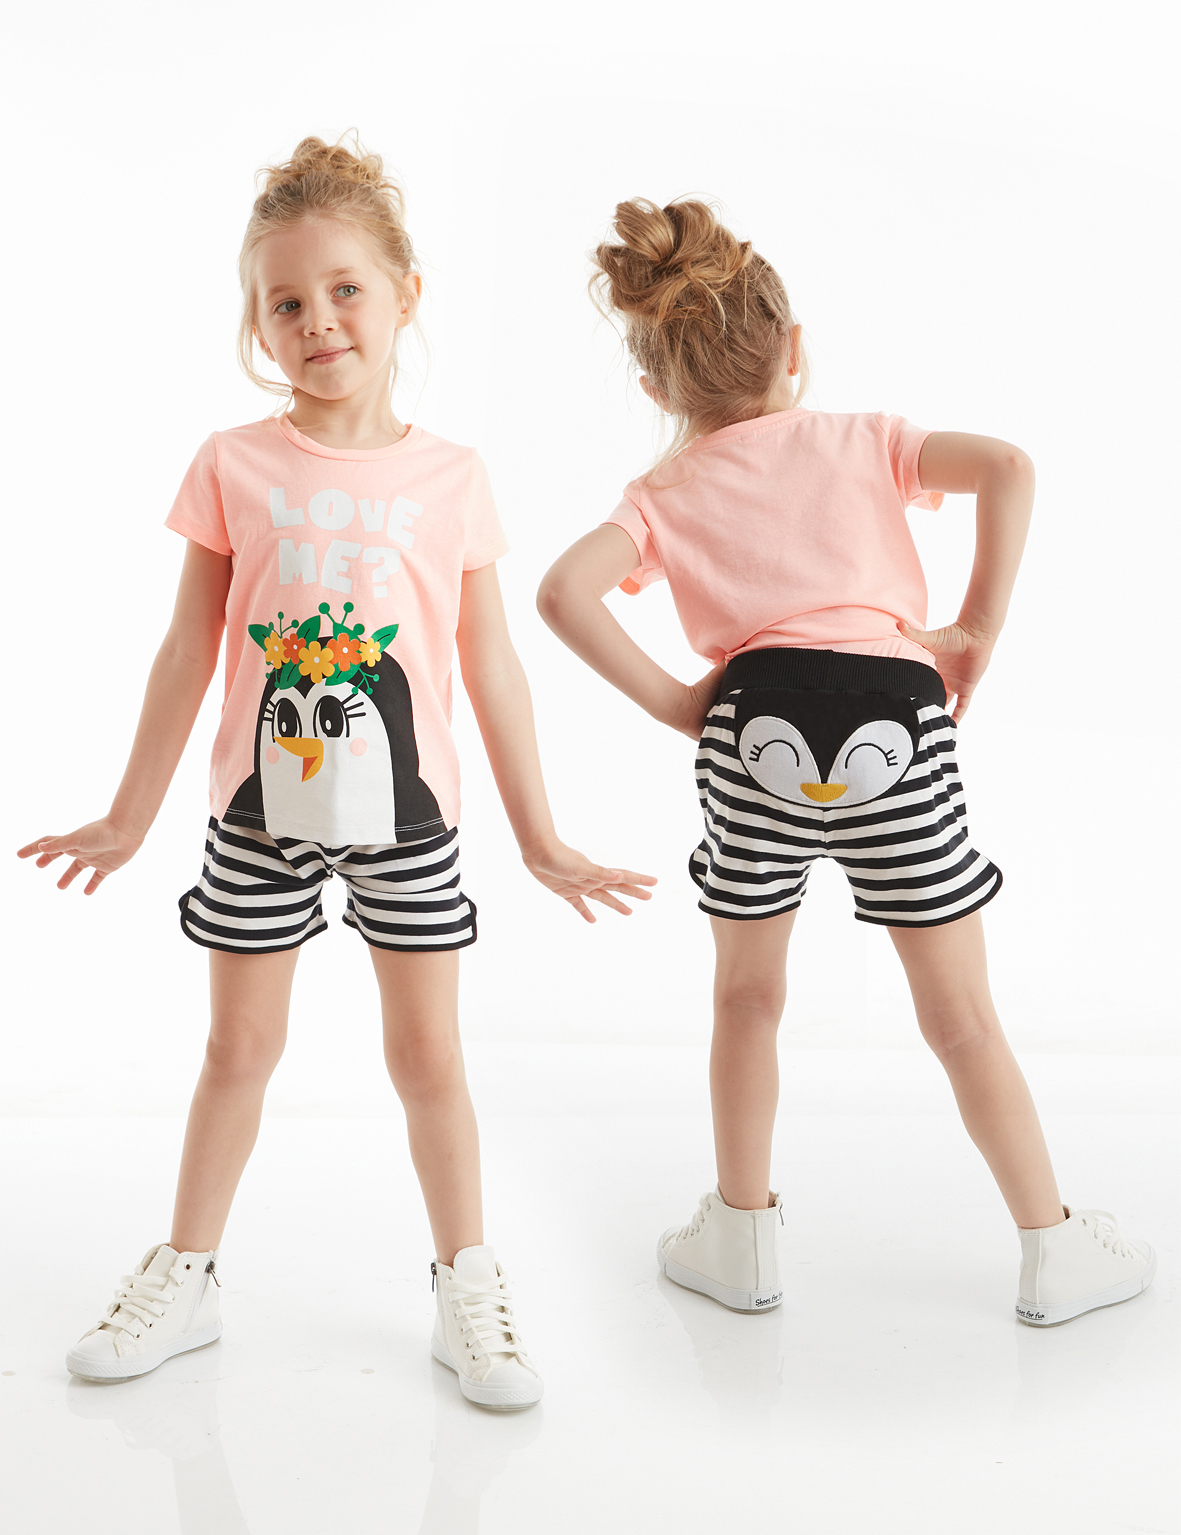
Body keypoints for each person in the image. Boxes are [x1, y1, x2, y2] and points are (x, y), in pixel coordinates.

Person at [18, 137, 654, 1408]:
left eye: (345, 289)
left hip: (410, 823)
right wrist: (129, 815)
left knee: (428, 1060)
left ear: (405, 292)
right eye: (286, 302)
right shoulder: (233, 463)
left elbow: (490, 664)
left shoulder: (450, 475)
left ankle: (468, 1285)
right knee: (236, 1050)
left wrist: (539, 835)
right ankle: (186, 1274)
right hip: (255, 817)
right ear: (258, 323)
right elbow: (188, 647)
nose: (317, 321)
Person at [537, 196, 1154, 1327]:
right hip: (893, 717)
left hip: (752, 728)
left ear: (659, 392)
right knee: (959, 1014)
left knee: (746, 996)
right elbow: (1008, 464)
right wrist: (974, 628)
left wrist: (683, 704)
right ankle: (1051, 1244)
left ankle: (739, 1239)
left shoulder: (662, 492)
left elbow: (561, 591)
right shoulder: (864, 438)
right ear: (791, 347)